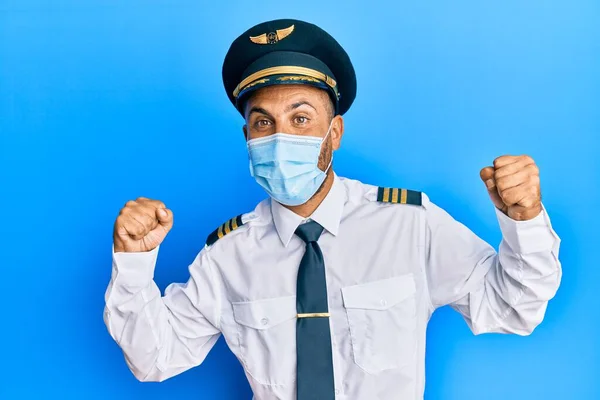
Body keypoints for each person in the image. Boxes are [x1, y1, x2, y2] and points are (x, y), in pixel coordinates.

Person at [103, 18, 562, 400]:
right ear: (248, 139)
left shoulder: (409, 224)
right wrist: (134, 265)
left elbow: (513, 308)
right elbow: (154, 358)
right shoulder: (227, 255)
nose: (280, 137)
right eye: (263, 122)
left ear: (334, 133)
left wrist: (523, 221)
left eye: (300, 119)